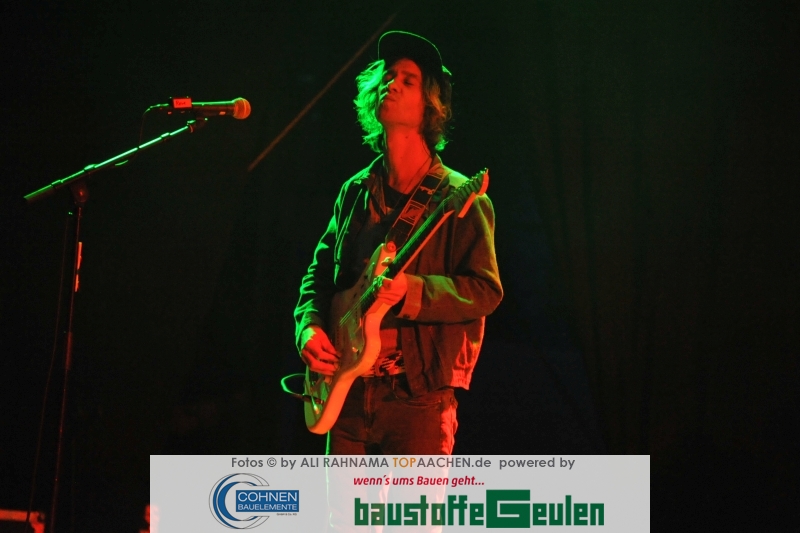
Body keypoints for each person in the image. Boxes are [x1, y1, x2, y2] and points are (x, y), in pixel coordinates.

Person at [294, 31, 502, 455]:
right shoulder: (355, 191)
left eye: (408, 80)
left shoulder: (458, 196)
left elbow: (485, 290)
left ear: (430, 105)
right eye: (388, 76)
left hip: (416, 397)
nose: (392, 84)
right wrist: (308, 326)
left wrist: (413, 291)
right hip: (347, 392)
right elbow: (319, 274)